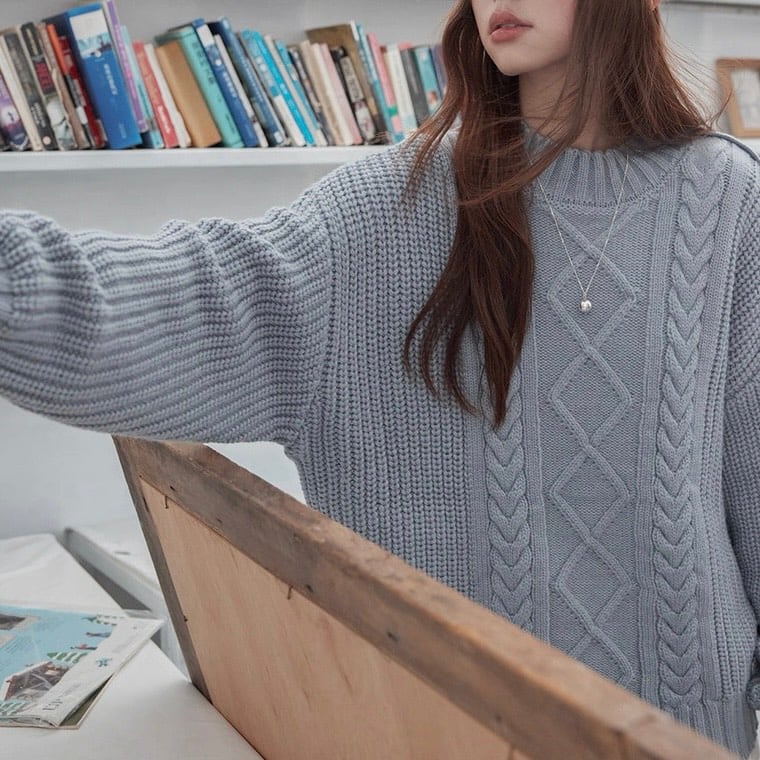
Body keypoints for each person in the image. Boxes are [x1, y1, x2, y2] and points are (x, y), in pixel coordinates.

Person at [0, 0, 758, 756]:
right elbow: (180, 299)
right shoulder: (386, 210)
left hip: (688, 736)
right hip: (439, 734)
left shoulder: (728, 200)